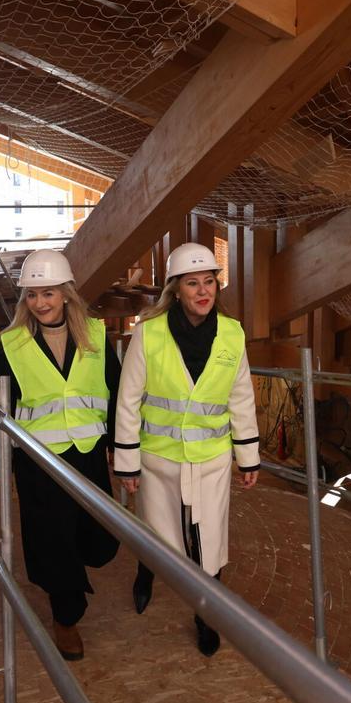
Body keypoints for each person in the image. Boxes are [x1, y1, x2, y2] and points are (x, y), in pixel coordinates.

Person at [113, 242, 260, 657]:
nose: (202, 291)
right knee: (157, 535)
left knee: (209, 544)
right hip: (158, 460)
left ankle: (206, 616)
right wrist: (127, 462)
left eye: (209, 282)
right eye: (192, 283)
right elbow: (128, 401)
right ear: (176, 289)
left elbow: (241, 398)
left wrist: (247, 454)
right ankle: (146, 573)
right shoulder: (148, 333)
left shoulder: (232, 333)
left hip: (211, 460)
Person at [0, 249, 121, 661]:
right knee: (54, 542)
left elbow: (114, 397)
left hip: (89, 456)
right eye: (31, 295)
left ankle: (74, 575)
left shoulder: (97, 335)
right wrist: (0, 463)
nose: (40, 303)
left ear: (65, 293)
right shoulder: (13, 344)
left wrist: (124, 452)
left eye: (48, 293)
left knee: (98, 540)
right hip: (39, 462)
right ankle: (67, 617)